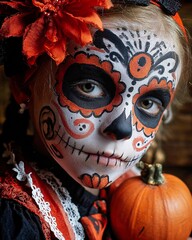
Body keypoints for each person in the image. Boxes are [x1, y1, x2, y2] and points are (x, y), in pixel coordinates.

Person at [0, 0, 191, 239]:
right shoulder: (13, 220)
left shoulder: (134, 193)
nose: (123, 128)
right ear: (22, 85)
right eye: (89, 87)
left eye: (148, 103)